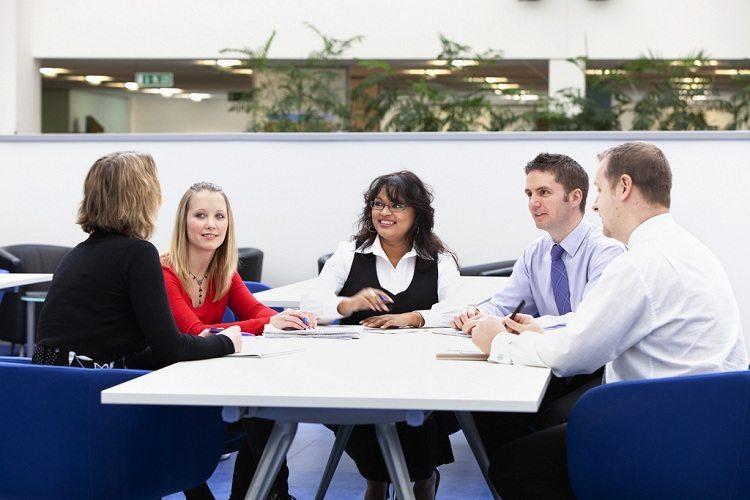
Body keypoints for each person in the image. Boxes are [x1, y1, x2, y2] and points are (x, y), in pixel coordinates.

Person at [465, 142, 748, 499]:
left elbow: (573, 356)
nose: (595, 205)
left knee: (513, 466)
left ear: (624, 187)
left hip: (659, 434)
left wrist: (498, 342)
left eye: (599, 189)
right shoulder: (693, 250)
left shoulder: (639, 264)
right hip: (715, 432)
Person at [301, 170, 460, 500]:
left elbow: (458, 309)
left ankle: (423, 478)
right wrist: (348, 304)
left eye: (397, 205)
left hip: (422, 371)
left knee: (420, 409)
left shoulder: (439, 259)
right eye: (378, 204)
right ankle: (376, 480)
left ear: (417, 212)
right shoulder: (349, 253)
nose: (384, 212)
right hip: (358, 372)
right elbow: (310, 303)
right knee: (359, 408)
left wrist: (413, 318)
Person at [162, 181, 316, 500]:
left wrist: (287, 318)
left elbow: (255, 310)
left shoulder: (223, 269)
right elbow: (196, 332)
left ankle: (268, 494)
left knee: (264, 406)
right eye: (200, 215)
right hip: (171, 383)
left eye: (219, 216)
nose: (211, 224)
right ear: (183, 222)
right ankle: (275, 494)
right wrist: (267, 322)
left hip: (215, 375)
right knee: (258, 411)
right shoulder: (164, 271)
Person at [451, 153, 624, 432]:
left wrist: (529, 327)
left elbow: (587, 323)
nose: (533, 203)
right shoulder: (535, 253)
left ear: (575, 197)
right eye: (529, 193)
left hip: (594, 370)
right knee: (485, 406)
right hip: (545, 361)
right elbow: (506, 304)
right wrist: (478, 315)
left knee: (550, 416)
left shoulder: (607, 252)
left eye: (544, 192)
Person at [34, 151, 241, 371]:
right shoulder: (138, 255)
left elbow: (134, 351)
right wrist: (225, 342)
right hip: (88, 383)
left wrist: (202, 343)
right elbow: (170, 350)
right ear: (143, 198)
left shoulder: (76, 255)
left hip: (50, 379)